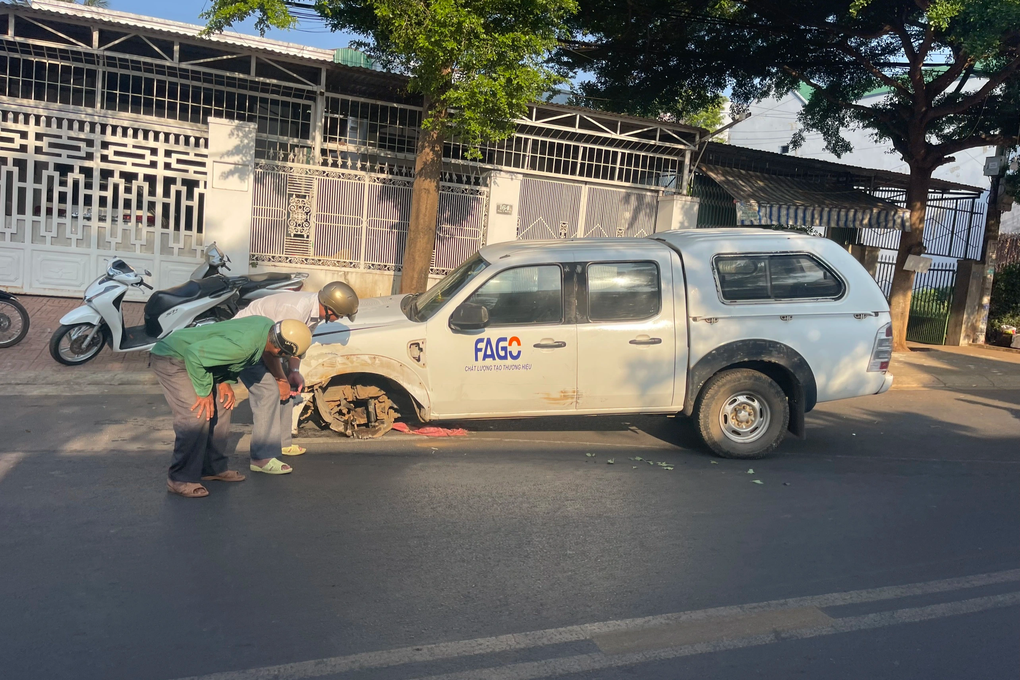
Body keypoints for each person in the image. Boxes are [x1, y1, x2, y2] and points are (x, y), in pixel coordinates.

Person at [149, 317, 313, 498]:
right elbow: (194, 355)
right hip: (173, 358)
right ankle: (179, 479)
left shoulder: (267, 329)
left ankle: (211, 467)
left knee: (223, 405)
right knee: (197, 414)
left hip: (202, 360)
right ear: (278, 349)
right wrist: (203, 394)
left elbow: (229, 356)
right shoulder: (246, 346)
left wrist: (225, 381)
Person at [234, 282, 359, 474]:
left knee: (290, 389)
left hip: (267, 344)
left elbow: (296, 344)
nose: (338, 319)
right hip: (246, 343)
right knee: (268, 392)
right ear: (329, 308)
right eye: (339, 315)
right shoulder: (294, 311)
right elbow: (270, 351)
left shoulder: (316, 312)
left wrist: (293, 372)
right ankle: (261, 458)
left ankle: (281, 444)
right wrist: (280, 379)